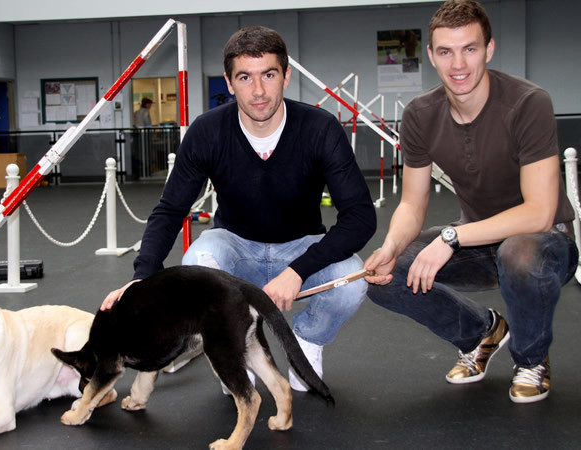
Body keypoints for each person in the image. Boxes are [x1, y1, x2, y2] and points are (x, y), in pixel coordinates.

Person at [102, 25, 376, 391]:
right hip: (236, 248)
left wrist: (298, 271)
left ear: (286, 76)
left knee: (351, 281)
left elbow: (360, 217)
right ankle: (232, 346)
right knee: (199, 260)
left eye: (269, 75)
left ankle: (308, 340)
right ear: (229, 83)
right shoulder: (207, 131)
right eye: (245, 77)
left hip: (302, 247)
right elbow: (169, 210)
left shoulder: (319, 128)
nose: (258, 90)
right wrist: (142, 277)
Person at [363, 0, 578, 404]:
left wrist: (449, 238)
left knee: (519, 253)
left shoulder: (528, 103)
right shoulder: (419, 114)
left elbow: (539, 212)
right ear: (430, 55)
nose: (457, 64)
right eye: (445, 51)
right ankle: (481, 333)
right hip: (478, 243)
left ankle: (531, 359)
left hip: (545, 243)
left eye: (470, 49)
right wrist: (391, 247)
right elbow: (411, 203)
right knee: (386, 278)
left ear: (489, 50)